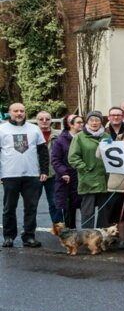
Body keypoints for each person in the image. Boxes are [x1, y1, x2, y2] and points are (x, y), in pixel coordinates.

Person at [0, 102, 51, 248]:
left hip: (31, 174)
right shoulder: (2, 129)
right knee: (9, 207)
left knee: (31, 208)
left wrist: (44, 171)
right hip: (10, 174)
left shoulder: (34, 129)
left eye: (21, 110)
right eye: (15, 110)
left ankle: (29, 236)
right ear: (9, 112)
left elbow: (43, 152)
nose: (19, 113)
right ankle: (9, 236)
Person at [69, 111, 112, 229]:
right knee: (88, 211)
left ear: (101, 122)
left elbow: (113, 156)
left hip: (104, 178)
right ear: (87, 122)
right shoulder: (79, 137)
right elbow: (73, 157)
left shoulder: (107, 137)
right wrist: (85, 169)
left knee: (104, 211)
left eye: (97, 120)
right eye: (91, 120)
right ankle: (87, 237)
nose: (94, 123)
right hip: (88, 179)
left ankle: (102, 237)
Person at [51, 114, 82, 229]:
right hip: (68, 178)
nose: (80, 124)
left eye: (81, 121)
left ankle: (87, 235)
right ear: (69, 124)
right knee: (69, 208)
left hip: (83, 177)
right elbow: (55, 160)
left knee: (86, 207)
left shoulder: (84, 137)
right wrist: (63, 172)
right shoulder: (60, 140)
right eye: (75, 121)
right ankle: (70, 233)